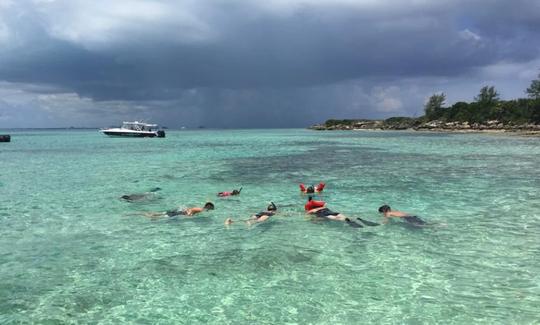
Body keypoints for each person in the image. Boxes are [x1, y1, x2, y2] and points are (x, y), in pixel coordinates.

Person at [144, 202, 215, 218]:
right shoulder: (200, 209)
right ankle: (148, 215)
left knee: (163, 214)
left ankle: (150, 214)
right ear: (208, 207)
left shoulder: (201, 209)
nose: (211, 210)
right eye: (211, 208)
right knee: (163, 217)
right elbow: (192, 209)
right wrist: (189, 215)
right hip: (181, 213)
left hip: (180, 212)